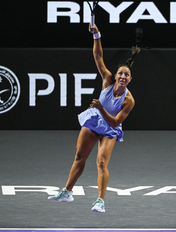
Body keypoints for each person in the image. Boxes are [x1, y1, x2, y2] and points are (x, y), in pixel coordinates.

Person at [48, 24, 137, 213]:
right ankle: (67, 192)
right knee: (80, 156)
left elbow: (114, 122)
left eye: (126, 75)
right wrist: (97, 34)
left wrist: (100, 107)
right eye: (120, 73)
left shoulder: (129, 100)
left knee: (102, 162)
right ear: (116, 75)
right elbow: (98, 57)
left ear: (130, 80)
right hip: (94, 121)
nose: (122, 76)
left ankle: (100, 201)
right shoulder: (107, 80)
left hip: (110, 128)